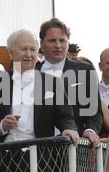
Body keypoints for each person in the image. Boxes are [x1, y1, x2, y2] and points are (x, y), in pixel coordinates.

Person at [0, 29, 79, 144]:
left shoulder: (52, 83)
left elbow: (65, 116)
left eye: (33, 50)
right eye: (23, 49)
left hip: (40, 154)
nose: (29, 54)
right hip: (4, 155)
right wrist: (2, 124)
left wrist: (68, 129)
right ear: (11, 53)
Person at [36, 18, 101, 148]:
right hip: (39, 147)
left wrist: (90, 130)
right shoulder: (32, 72)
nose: (58, 45)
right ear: (42, 43)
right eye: (52, 40)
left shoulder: (85, 70)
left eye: (62, 40)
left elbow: (94, 110)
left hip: (74, 145)